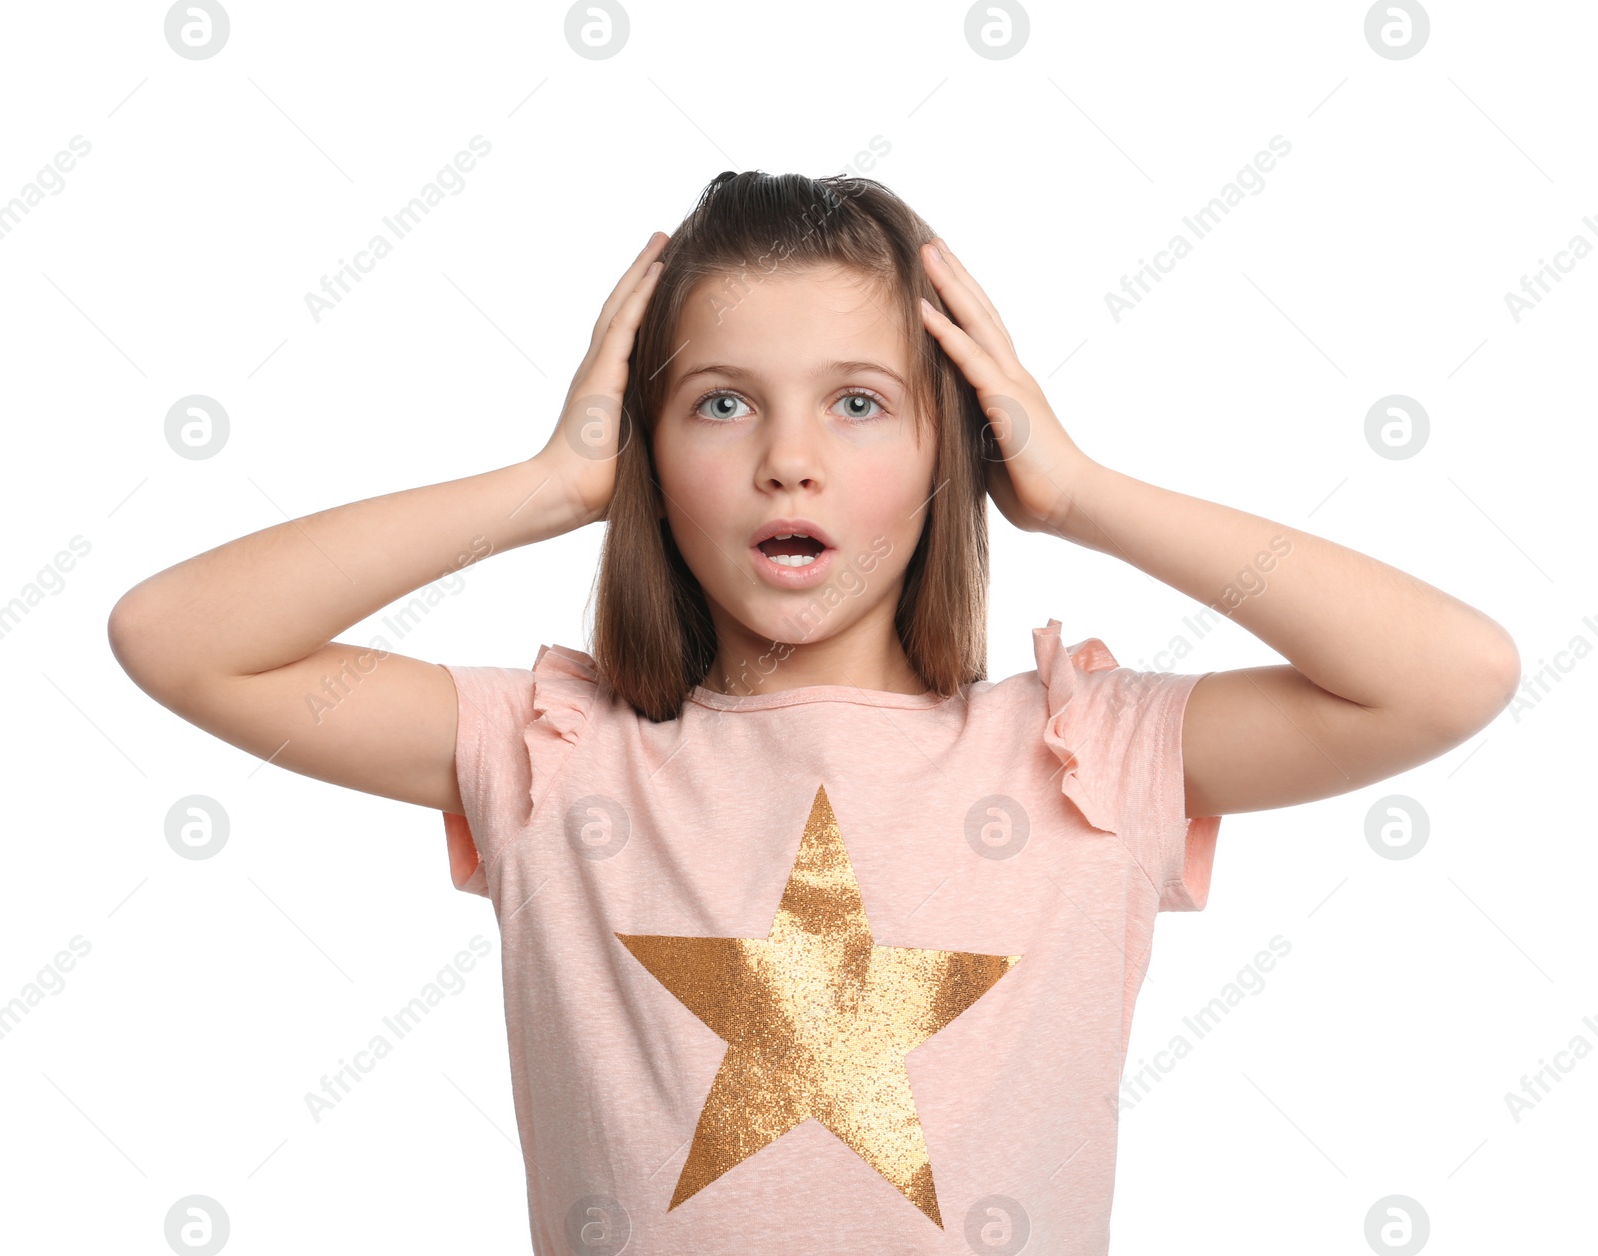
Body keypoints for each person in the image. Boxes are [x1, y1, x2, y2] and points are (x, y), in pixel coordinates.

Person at [107, 170, 1519, 1255]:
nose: (790, 461)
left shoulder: (1085, 756)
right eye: (721, 406)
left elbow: (1453, 673)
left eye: (858, 403)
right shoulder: (558, 754)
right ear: (645, 454)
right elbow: (176, 640)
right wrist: (544, 485)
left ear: (949, 449)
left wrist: (1080, 493)